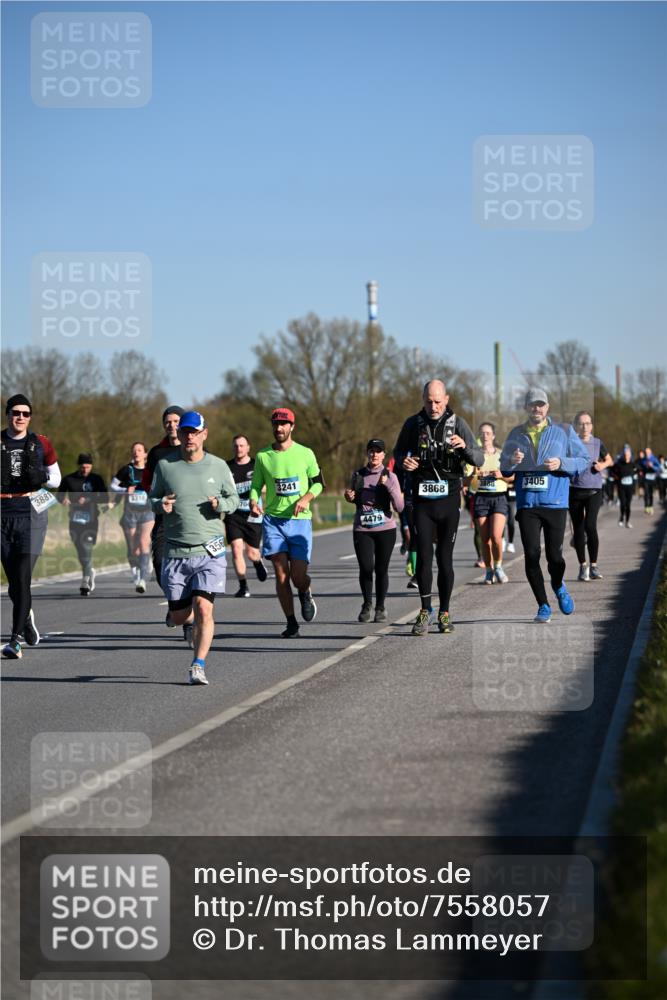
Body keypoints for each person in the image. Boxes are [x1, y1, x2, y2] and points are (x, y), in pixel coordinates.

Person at [148, 410, 239, 685]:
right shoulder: (165, 465)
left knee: (204, 608)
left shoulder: (219, 466)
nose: (189, 436)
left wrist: (220, 505)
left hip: (210, 550)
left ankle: (198, 665)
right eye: (185, 431)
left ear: (204, 434)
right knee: (179, 616)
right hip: (175, 550)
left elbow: (234, 499)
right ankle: (178, 615)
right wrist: (159, 505)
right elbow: (151, 498)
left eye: (194, 432)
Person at [393, 379, 483, 636]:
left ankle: (444, 612)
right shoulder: (413, 424)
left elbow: (479, 458)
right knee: (423, 557)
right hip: (421, 499)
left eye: (437, 401)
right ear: (423, 400)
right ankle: (424, 611)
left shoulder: (459, 424)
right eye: (428, 401)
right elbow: (398, 455)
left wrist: (464, 448)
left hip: (448, 498)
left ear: (447, 399)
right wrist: (405, 462)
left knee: (445, 559)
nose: (433, 407)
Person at [500, 387, 589, 624]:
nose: (536, 408)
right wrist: (510, 460)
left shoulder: (563, 431)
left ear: (547, 407)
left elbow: (583, 461)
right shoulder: (516, 433)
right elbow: (504, 469)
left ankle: (558, 585)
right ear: (526, 408)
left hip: (555, 503)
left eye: (541, 404)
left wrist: (561, 462)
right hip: (528, 503)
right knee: (531, 554)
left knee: (555, 557)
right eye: (532, 404)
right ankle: (543, 605)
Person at [249, 407, 324, 638]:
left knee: (297, 576)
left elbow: (319, 483)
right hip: (273, 521)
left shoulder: (305, 453)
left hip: (299, 521)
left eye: (283, 424)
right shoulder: (263, 456)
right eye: (275, 424)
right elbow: (255, 486)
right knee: (281, 574)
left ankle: (305, 590)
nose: (279, 428)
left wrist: (306, 498)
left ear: (292, 426)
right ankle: (292, 622)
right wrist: (253, 501)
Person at [1, 394, 61, 659]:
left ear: (30, 417)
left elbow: (56, 479)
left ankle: (14, 641)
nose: (20, 417)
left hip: (31, 512)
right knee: (13, 582)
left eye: (25, 413)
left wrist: (43, 479)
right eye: (16, 412)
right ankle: (26, 617)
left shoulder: (41, 443)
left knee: (23, 577)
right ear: (7, 414)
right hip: (2, 512)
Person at [344, 438, 404, 623]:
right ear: (367, 453)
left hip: (385, 528)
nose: (374, 454)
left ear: (384, 455)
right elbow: (354, 497)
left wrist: (387, 485)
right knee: (366, 567)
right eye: (371, 451)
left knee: (381, 568)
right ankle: (367, 603)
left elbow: (400, 506)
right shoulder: (358, 475)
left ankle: (380, 606)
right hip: (363, 528)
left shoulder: (391, 476)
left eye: (378, 451)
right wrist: (349, 497)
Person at [141, 406, 184, 590]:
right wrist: (158, 497)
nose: (171, 425)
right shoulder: (156, 453)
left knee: (186, 564)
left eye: (176, 421)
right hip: (163, 518)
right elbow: (146, 482)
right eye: (168, 422)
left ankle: (182, 604)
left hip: (188, 517)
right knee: (160, 563)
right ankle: (174, 601)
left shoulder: (193, 448)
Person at [568, 411, 613, 581]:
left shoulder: (597, 443)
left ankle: (594, 565)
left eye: (587, 423)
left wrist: (602, 465)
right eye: (581, 423)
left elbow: (609, 460)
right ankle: (583, 566)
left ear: (592, 426)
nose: (585, 426)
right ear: (576, 426)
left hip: (594, 490)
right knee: (578, 529)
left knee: (590, 526)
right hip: (574, 489)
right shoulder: (570, 444)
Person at [467, 422, 512, 584]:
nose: (485, 436)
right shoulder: (474, 456)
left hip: (499, 497)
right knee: (485, 539)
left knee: (496, 537)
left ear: (493, 436)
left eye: (488, 433)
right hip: (481, 497)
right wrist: (474, 475)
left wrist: (500, 475)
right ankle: (488, 570)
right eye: (482, 433)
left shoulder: (502, 455)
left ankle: (499, 566)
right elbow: (467, 480)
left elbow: (512, 477)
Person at [58, 455, 108, 596]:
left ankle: (85, 580)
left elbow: (104, 497)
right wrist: (64, 500)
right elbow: (59, 496)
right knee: (80, 550)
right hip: (74, 519)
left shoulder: (96, 479)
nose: (85, 469)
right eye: (82, 466)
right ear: (78, 466)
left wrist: (87, 498)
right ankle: (89, 569)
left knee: (86, 547)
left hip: (91, 519)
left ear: (91, 466)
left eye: (87, 466)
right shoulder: (69, 479)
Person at [225, 434, 268, 597]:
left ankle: (257, 562)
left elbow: (267, 486)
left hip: (253, 514)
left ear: (248, 447)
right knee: (236, 549)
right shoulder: (227, 467)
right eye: (236, 446)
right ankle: (243, 586)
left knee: (252, 553)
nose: (239, 448)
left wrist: (255, 490)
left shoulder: (256, 466)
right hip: (233, 515)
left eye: (242, 445)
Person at [110, 442, 154, 593]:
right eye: (134, 450)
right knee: (133, 549)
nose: (136, 453)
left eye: (140, 450)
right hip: (130, 512)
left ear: (145, 454)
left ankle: (142, 579)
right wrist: (125, 490)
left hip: (147, 511)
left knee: (143, 544)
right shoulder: (126, 470)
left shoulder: (151, 470)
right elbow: (112, 486)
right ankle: (136, 570)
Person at [613, 445, 637, 528]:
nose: (627, 456)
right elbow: (613, 471)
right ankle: (621, 517)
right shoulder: (619, 464)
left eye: (628, 455)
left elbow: (636, 472)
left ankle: (627, 521)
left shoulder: (633, 464)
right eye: (625, 455)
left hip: (629, 487)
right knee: (623, 504)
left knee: (628, 505)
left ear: (630, 455)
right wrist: (616, 477)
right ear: (623, 455)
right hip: (621, 487)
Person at [638, 447, 660, 514]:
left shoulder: (654, 459)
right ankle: (646, 506)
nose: (646, 453)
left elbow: (658, 468)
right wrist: (640, 471)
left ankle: (651, 506)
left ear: (650, 452)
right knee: (646, 493)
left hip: (652, 478)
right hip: (646, 478)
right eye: (646, 452)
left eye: (648, 452)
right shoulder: (643, 460)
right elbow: (640, 467)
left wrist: (652, 466)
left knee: (650, 493)